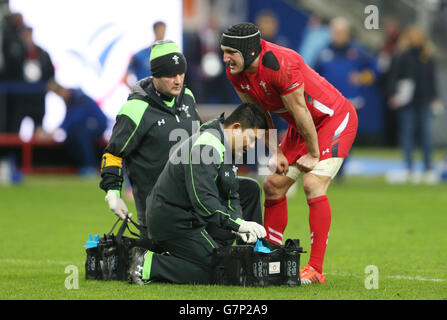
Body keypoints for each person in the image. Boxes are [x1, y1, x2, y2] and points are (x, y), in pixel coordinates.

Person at [220, 22, 358, 284]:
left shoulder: (281, 63)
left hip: (333, 119)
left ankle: (316, 269)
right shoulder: (235, 72)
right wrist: (277, 152)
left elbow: (302, 110)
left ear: (249, 51)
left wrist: (315, 154)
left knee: (313, 182)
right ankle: (271, 256)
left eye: (230, 52)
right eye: (223, 51)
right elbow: (256, 115)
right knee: (272, 185)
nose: (225, 58)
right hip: (301, 125)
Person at [99, 40, 263, 243]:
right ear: (155, 75)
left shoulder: (187, 97)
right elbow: (113, 153)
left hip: (194, 192)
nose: (178, 80)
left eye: (181, 74)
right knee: (212, 263)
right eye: (170, 75)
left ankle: (251, 251)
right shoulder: (135, 109)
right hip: (163, 205)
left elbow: (200, 142)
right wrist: (112, 192)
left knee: (249, 189)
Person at [128, 103, 269, 285]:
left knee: (249, 188)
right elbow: (203, 200)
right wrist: (238, 224)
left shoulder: (226, 146)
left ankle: (238, 253)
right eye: (251, 139)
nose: (251, 146)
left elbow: (231, 193)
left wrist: (240, 225)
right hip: (173, 221)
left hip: (191, 217)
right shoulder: (207, 146)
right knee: (223, 271)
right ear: (236, 129)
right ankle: (148, 263)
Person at [388, 25, 443, 184]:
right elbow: (394, 77)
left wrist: (435, 97)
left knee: (426, 135)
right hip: (407, 102)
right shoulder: (402, 56)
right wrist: (394, 95)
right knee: (407, 134)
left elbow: (431, 80)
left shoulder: (427, 57)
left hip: (424, 101)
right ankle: (408, 167)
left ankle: (428, 167)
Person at [46, 80, 107, 176]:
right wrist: (57, 130)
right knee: (71, 134)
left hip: (98, 123)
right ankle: (80, 166)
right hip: (85, 125)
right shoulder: (70, 100)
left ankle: (90, 167)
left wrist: (58, 129)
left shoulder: (79, 97)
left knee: (81, 133)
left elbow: (76, 117)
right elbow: (69, 118)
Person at [124, 21, 166, 89]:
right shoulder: (140, 55)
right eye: (160, 31)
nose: (162, 34)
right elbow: (126, 76)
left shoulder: (168, 55)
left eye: (164, 31)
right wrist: (134, 91)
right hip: (144, 96)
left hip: (161, 97)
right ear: (155, 31)